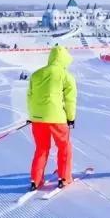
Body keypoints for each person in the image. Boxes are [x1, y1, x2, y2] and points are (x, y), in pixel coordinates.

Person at [26, 45, 77, 190]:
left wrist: (32, 116)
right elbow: (70, 99)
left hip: (37, 119)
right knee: (64, 147)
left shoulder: (36, 74)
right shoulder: (66, 76)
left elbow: (30, 97)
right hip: (57, 119)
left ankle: (35, 180)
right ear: (64, 60)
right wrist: (71, 118)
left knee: (41, 148)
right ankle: (64, 177)